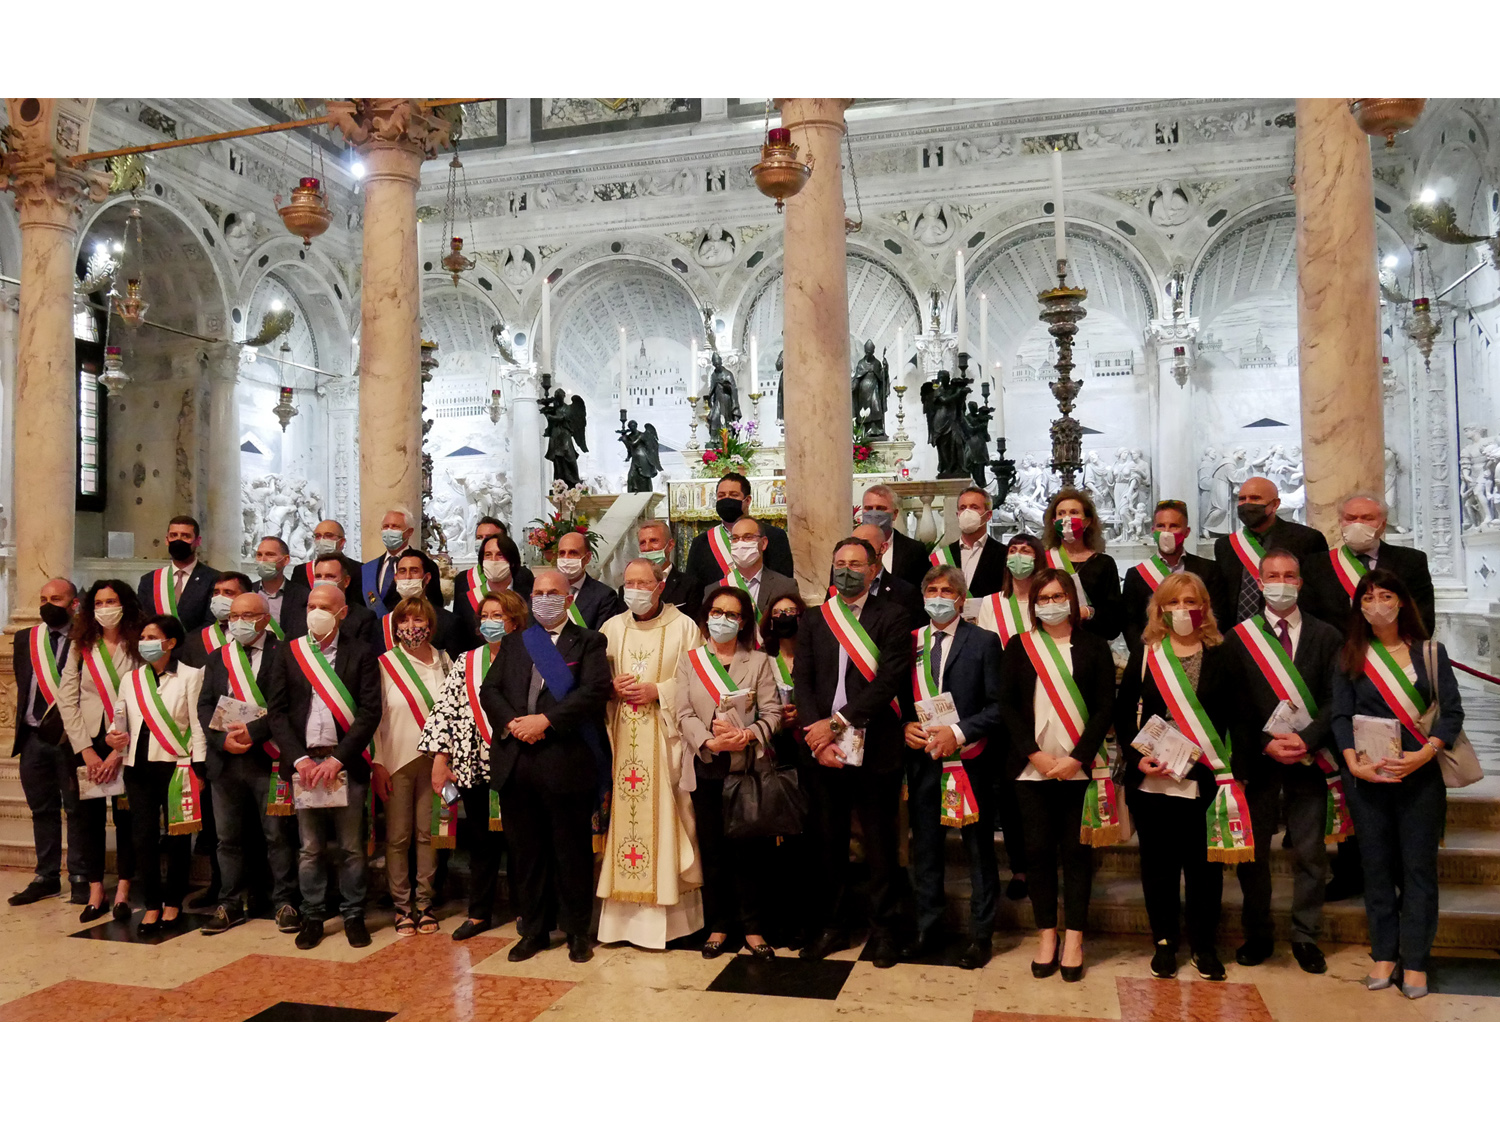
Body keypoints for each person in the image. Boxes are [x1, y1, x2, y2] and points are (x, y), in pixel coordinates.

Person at [1331, 569, 1462, 1001]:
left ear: (1402, 602)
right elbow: (1340, 716)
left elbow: (1451, 713)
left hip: (1420, 779)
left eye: (1385, 596)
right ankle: (1384, 953)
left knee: (1419, 870)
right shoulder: (1350, 653)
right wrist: (1352, 764)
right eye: (1367, 598)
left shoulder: (1429, 652)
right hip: (1368, 780)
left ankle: (1418, 959)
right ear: (1359, 607)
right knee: (1377, 868)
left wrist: (1425, 754)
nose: (1377, 605)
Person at [1222, 548, 1344, 974]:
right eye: (1272, 575)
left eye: (1289, 575)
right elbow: (1233, 706)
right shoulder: (1238, 638)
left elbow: (1335, 699)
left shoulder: (1326, 636)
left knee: (1309, 853)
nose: (1280, 582)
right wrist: (1263, 742)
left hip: (1310, 760)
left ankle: (1305, 935)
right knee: (1253, 855)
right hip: (1259, 761)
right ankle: (1257, 933)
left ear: (1300, 582)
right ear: (1258, 581)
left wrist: (1307, 739)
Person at [480, 568, 612, 965]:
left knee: (570, 852)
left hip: (566, 762)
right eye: (537, 592)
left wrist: (546, 722)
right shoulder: (518, 642)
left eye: (552, 592)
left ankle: (576, 932)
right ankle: (533, 930)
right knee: (526, 853)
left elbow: (593, 692)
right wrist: (514, 723)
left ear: (569, 597)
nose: (543, 598)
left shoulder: (589, 641)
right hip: (518, 763)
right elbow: (492, 690)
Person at [794, 537, 913, 968]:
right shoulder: (814, 619)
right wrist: (818, 734)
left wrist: (837, 723)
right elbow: (802, 679)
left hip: (875, 745)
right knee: (828, 842)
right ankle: (833, 925)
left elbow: (889, 682)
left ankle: (884, 931)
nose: (847, 570)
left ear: (873, 567)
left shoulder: (894, 617)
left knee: (882, 844)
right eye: (840, 562)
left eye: (856, 564)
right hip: (822, 750)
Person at [1115, 572, 1239, 982]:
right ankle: (1164, 941)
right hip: (1154, 778)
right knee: (1158, 865)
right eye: (1173, 603)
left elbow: (1239, 716)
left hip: (1205, 777)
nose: (1182, 610)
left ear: (1203, 607)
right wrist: (1139, 758)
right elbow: (1124, 710)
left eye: (1190, 602)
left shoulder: (1222, 653)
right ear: (1160, 609)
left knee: (1204, 866)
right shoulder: (1149, 653)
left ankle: (1204, 944)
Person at [1001, 568, 1117, 981]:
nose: (1051, 604)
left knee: (1076, 854)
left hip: (1079, 770)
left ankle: (1074, 938)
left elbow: (1105, 707)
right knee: (1036, 853)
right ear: (1033, 606)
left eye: (1057, 596)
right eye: (1043, 598)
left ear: (1072, 599)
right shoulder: (1020, 647)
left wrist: (1078, 758)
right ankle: (1046, 934)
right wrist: (1033, 754)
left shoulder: (1095, 647)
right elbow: (1009, 707)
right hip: (1032, 770)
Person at [267, 582, 383, 950]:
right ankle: (313, 915)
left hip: (344, 760)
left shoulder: (361, 652)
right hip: (304, 763)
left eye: (324, 606)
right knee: (310, 848)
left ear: (342, 613)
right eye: (310, 605)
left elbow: (369, 712)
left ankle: (353, 914)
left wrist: (337, 760)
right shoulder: (289, 652)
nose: (315, 612)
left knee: (351, 847)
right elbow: (278, 712)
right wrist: (299, 759)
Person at [597, 559, 705, 947]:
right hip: (623, 737)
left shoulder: (685, 626)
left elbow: (698, 678)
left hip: (665, 739)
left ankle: (674, 923)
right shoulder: (611, 628)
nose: (635, 589)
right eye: (629, 583)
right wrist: (611, 687)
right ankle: (624, 924)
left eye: (643, 582)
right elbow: (595, 681)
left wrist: (658, 691)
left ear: (660, 586)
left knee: (670, 818)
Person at [901, 565, 1004, 970]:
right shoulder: (910, 641)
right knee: (925, 849)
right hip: (924, 760)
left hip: (969, 761)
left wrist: (958, 733)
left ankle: (981, 935)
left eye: (947, 590)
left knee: (979, 852)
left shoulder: (984, 641)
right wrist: (904, 726)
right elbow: (897, 700)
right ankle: (929, 928)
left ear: (961, 599)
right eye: (932, 589)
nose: (938, 596)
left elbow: (997, 707)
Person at [674, 584, 783, 958]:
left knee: (748, 852)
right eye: (717, 613)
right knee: (714, 850)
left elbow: (773, 714)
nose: (723, 620)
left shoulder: (760, 661)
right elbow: (682, 712)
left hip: (746, 769)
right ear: (706, 618)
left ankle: (753, 929)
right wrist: (708, 742)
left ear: (743, 622)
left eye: (732, 614)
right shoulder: (691, 660)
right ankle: (719, 925)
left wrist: (746, 735)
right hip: (707, 767)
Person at [423, 590, 530, 940]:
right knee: (482, 844)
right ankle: (479, 912)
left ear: (514, 620)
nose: (489, 622)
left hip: (517, 762)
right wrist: (441, 759)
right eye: (485, 615)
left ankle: (525, 911)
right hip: (473, 764)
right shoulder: (466, 661)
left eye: (497, 615)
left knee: (520, 841)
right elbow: (446, 710)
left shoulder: (529, 656)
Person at [195, 591, 301, 936]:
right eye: (234, 615)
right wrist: (221, 739)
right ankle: (229, 903)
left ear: (266, 618)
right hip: (225, 762)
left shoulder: (284, 654)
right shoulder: (218, 657)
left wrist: (252, 733)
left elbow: (285, 706)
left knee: (277, 836)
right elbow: (204, 705)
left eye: (247, 615)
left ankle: (284, 901)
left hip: (268, 759)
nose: (237, 621)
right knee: (228, 839)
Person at [106, 614, 207, 935]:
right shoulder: (131, 679)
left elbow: (198, 725)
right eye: (143, 637)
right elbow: (119, 718)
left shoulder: (191, 676)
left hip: (177, 765)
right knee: (143, 837)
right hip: (138, 766)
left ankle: (174, 901)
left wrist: (199, 767)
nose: (146, 643)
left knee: (178, 838)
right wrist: (113, 736)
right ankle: (151, 904)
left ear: (171, 642)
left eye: (153, 637)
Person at [57, 580, 141, 922]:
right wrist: (88, 751)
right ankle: (95, 889)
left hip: (129, 745)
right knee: (86, 821)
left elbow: (145, 697)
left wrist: (116, 754)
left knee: (127, 821)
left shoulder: (139, 642)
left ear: (125, 604)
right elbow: (68, 697)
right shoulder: (81, 645)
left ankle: (123, 889)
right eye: (100, 602)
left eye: (113, 601)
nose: (106, 607)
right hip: (87, 746)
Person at [371, 593, 453, 937]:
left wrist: (446, 759)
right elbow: (374, 717)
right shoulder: (384, 663)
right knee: (398, 835)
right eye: (404, 620)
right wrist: (377, 763)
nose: (411, 626)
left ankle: (424, 902)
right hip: (396, 758)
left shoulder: (445, 661)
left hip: (436, 761)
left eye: (418, 620)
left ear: (430, 624)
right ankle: (401, 906)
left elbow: (453, 712)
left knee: (428, 834)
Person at [972, 531, 1044, 903]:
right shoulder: (991, 604)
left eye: (1026, 551)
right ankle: (1020, 867)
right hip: (1004, 705)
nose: (1019, 557)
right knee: (1011, 792)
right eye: (1013, 551)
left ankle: (1046, 863)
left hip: (1047, 702)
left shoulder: (1048, 600)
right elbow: (985, 652)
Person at [8, 579, 86, 908]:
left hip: (72, 737)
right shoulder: (27, 638)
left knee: (77, 809)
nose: (47, 604)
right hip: (33, 737)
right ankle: (46, 876)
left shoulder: (86, 638)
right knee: (42, 809)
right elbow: (24, 681)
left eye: (56, 598)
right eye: (42, 598)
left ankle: (81, 875)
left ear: (74, 603)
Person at [1303, 492, 1435, 635]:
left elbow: (1422, 617)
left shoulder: (1411, 561)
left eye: (1367, 518)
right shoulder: (1317, 564)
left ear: (1383, 524)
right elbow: (1311, 620)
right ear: (1340, 523)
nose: (1358, 524)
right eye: (1351, 518)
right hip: (1339, 652)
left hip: (1392, 652)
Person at [765, 591, 814, 945]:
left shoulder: (814, 656)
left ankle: (806, 920)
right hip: (775, 754)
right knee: (775, 843)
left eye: (791, 611)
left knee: (808, 840)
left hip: (810, 752)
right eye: (778, 612)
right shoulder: (762, 661)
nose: (784, 617)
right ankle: (778, 919)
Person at [1213, 476, 1328, 626]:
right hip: (1239, 635)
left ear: (1275, 504)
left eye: (1255, 498)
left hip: (1290, 631)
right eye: (1242, 499)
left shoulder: (1308, 540)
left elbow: (1321, 594)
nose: (1247, 504)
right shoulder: (1225, 546)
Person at [1122, 500, 1229, 651]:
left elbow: (1219, 615)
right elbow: (1130, 624)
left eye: (1174, 526)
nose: (1166, 532)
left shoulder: (1209, 570)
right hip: (1155, 655)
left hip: (1200, 651)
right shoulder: (1136, 575)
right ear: (1153, 530)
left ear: (1186, 532)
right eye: (1161, 526)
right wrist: (1144, 653)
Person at [683, 472, 795, 596]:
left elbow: (784, 582)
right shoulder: (702, 542)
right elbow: (694, 589)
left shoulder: (774, 536)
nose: (726, 499)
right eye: (721, 495)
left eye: (733, 495)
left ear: (747, 500)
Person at [1040, 488, 1122, 642]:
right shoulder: (1043, 561)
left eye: (1074, 512)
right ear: (1054, 521)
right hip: (1050, 644)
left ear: (1087, 521)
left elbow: (1113, 618)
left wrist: (1088, 612)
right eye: (1061, 513)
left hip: (1092, 644)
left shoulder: (1104, 563)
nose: (1067, 518)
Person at [701, 516, 800, 625]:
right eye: (735, 538)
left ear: (764, 543)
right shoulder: (714, 590)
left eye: (748, 537)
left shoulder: (785, 586)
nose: (740, 543)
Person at [137, 515, 222, 631]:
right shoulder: (149, 580)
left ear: (197, 541)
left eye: (185, 536)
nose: (178, 540)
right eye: (173, 535)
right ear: (166, 540)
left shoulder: (215, 578)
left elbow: (211, 622)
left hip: (197, 645)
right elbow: (143, 619)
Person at [929, 486, 1007, 597]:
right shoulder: (942, 557)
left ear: (988, 515)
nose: (967, 512)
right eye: (963, 508)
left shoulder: (1004, 554)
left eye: (974, 507)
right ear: (958, 515)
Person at [362, 505, 441, 615]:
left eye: (395, 527)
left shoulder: (427, 565)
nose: (389, 531)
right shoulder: (367, 569)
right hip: (374, 630)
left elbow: (435, 605)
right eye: (386, 526)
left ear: (409, 532)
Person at [454, 530, 525, 651]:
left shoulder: (526, 596)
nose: (493, 560)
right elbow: (460, 642)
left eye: (500, 555)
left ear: (512, 561)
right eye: (488, 555)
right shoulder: (465, 600)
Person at [389, 549, 466, 659]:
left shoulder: (449, 622)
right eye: (402, 571)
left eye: (414, 571)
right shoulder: (381, 624)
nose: (408, 577)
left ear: (427, 578)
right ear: (396, 578)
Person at [849, 522, 925, 629]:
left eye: (864, 544)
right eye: (852, 544)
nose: (857, 550)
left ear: (883, 548)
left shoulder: (905, 593)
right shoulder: (838, 587)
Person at [858, 483, 930, 589]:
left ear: (895, 514)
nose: (874, 513)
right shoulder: (847, 549)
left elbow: (923, 592)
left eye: (880, 508)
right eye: (869, 508)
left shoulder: (914, 551)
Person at [551, 530, 623, 630]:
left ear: (587, 558)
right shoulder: (544, 591)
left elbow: (601, 639)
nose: (566, 558)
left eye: (573, 553)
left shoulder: (604, 596)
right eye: (562, 553)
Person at [454, 516, 535, 605]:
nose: (483, 541)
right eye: (479, 537)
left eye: (489, 537)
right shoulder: (463, 579)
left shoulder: (523, 575)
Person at [179, 571, 254, 667]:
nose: (219, 597)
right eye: (216, 592)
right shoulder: (194, 640)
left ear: (245, 596)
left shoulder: (257, 633)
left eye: (228, 592)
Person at [624, 519, 696, 614]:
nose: (647, 548)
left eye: (654, 541)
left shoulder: (690, 585)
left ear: (670, 545)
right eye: (642, 543)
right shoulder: (627, 589)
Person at [291, 518, 364, 604]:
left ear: (341, 542)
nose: (322, 540)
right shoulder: (301, 571)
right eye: (317, 536)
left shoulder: (360, 570)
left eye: (328, 535)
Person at [311, 555, 379, 646]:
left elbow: (362, 655)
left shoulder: (364, 618)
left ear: (346, 581)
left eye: (330, 577)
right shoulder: (299, 614)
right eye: (318, 576)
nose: (323, 581)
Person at [252, 534, 308, 639]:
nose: (263, 560)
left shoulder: (303, 595)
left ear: (286, 560)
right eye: (259, 555)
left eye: (270, 555)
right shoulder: (247, 591)